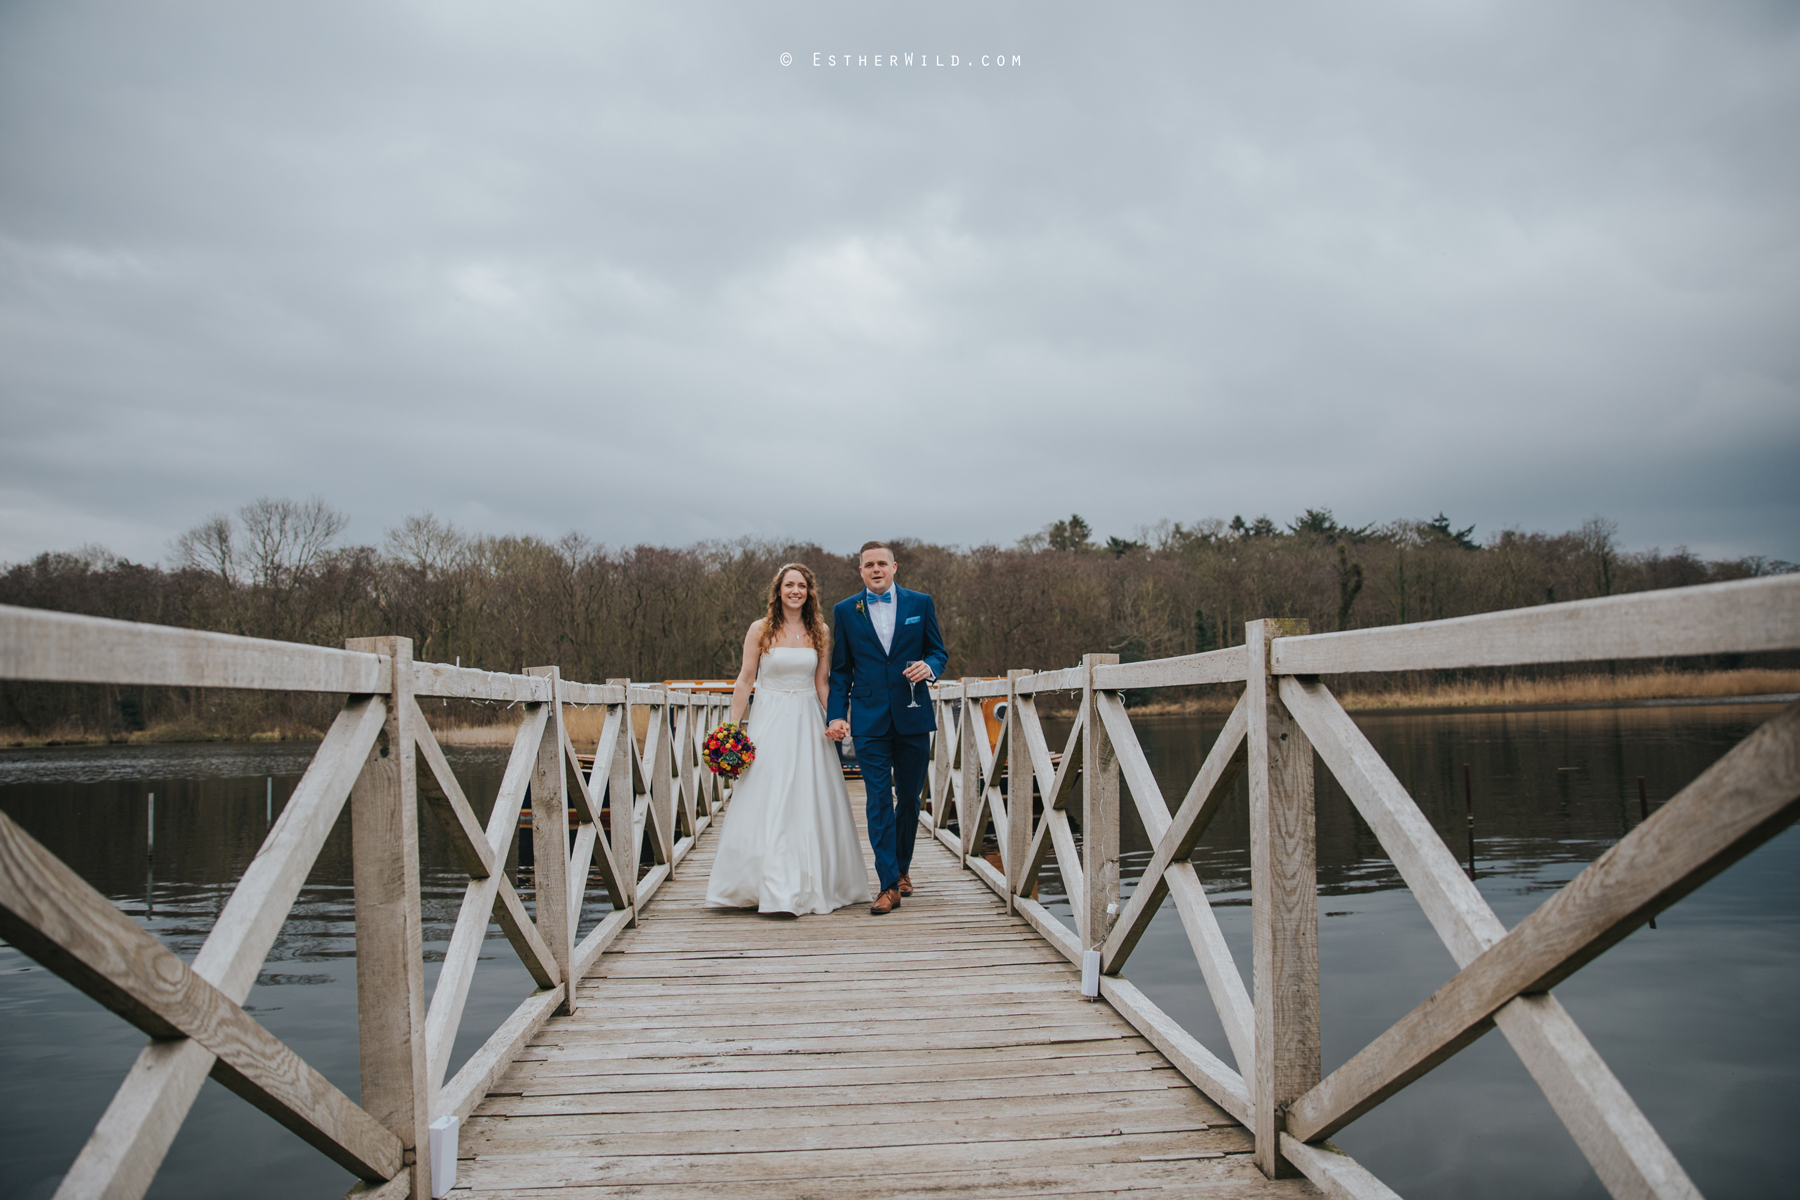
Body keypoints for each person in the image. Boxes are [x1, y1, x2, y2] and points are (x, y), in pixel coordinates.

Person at [705, 563, 872, 915]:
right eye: (789, 585)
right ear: (778, 590)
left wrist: (837, 719)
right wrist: (732, 729)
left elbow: (822, 684)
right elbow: (745, 680)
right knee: (770, 794)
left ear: (809, 592)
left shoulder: (821, 630)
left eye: (801, 586)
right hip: (770, 720)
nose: (795, 591)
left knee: (808, 796)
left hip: (809, 722)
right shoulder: (760, 629)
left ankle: (810, 883)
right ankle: (765, 884)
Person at [826, 541, 949, 915]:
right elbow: (840, 670)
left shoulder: (920, 603)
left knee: (910, 798)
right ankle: (887, 885)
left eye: (882, 563)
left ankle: (902, 868)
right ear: (860, 571)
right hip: (868, 719)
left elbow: (937, 651)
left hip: (912, 715)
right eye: (869, 565)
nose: (876, 569)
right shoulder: (846, 611)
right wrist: (836, 714)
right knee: (879, 799)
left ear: (894, 567)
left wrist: (930, 668)